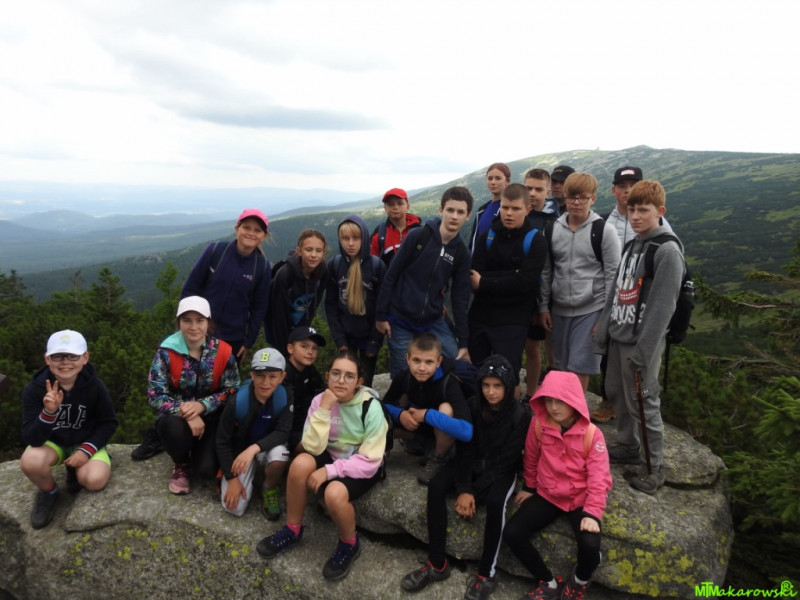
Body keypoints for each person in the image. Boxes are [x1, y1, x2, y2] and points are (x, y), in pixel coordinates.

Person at [132, 208, 271, 461]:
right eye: (246, 227)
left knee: (219, 389)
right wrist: (187, 326)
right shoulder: (216, 251)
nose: (251, 233)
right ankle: (162, 434)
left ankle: (210, 438)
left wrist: (249, 341)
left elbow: (259, 307)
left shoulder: (261, 266)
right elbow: (191, 288)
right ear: (236, 228)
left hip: (231, 339)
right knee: (180, 385)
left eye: (257, 230)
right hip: (198, 330)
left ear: (264, 235)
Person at [400, 355, 528, 600]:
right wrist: (464, 488)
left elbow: (505, 461)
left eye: (498, 386)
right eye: (486, 385)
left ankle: (487, 573)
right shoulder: (473, 405)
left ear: (508, 387)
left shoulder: (520, 416)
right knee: (436, 486)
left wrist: (472, 493)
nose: (491, 392)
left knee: (496, 502)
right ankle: (437, 564)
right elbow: (466, 448)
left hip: (502, 469)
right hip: (473, 460)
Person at [256, 351, 388, 581]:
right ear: (327, 376)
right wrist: (324, 409)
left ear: (359, 382)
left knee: (333, 494)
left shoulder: (371, 407)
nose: (341, 380)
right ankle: (292, 529)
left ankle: (349, 543)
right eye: (336, 373)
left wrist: (329, 471)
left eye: (349, 376)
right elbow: (312, 446)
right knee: (299, 464)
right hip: (330, 453)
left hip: (360, 463)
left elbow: (370, 461)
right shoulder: (320, 400)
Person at [594, 180, 685, 495]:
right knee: (618, 394)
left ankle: (654, 468)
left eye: (643, 210)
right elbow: (617, 292)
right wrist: (604, 331)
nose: (635, 216)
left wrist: (644, 352)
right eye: (631, 209)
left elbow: (662, 307)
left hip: (640, 344)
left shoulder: (667, 251)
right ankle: (628, 445)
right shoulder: (633, 245)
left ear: (660, 211)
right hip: (620, 336)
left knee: (643, 403)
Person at [503, 370, 612, 600]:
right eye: (549, 400)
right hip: (549, 495)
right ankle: (548, 582)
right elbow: (531, 457)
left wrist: (592, 513)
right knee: (512, 533)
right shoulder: (538, 424)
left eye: (560, 401)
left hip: (580, 499)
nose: (553, 407)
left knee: (591, 547)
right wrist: (530, 487)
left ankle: (579, 580)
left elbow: (599, 477)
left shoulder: (592, 434)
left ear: (574, 400)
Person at [20, 330, 118, 529]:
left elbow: (108, 423)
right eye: (58, 356)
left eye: (73, 356)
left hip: (85, 441)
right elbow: (32, 438)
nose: (65, 362)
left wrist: (86, 450)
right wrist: (49, 413)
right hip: (52, 443)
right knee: (31, 461)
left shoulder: (95, 386)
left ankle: (75, 469)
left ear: (85, 358)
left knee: (94, 480)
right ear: (47, 359)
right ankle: (49, 491)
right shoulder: (34, 390)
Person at [376, 186, 474, 378]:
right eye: (450, 210)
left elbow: (460, 298)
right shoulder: (418, 236)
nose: (454, 216)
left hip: (432, 320)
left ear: (468, 215)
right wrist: (380, 316)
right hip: (400, 319)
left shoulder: (461, 253)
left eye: (460, 212)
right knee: (402, 378)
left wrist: (463, 342)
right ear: (441, 210)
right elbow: (391, 275)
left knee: (458, 363)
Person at [146, 296, 240, 495]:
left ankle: (198, 453)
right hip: (178, 419)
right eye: (187, 320)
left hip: (212, 418)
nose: (193, 327)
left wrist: (203, 405)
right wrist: (187, 412)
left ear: (208, 323)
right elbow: (155, 395)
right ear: (179, 322)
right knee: (171, 428)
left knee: (205, 471)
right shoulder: (166, 352)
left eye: (200, 320)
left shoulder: (222, 352)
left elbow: (232, 388)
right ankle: (181, 464)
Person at [538, 173, 621, 391]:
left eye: (582, 197)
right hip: (559, 309)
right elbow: (546, 271)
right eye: (571, 197)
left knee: (580, 367)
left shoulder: (604, 231)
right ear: (564, 197)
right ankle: (562, 409)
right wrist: (543, 307)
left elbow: (613, 276)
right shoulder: (552, 229)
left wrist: (605, 317)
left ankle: (576, 410)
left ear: (593, 198)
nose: (576, 202)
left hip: (591, 309)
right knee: (559, 365)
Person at [469, 183, 546, 385]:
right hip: (481, 315)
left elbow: (525, 283)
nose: (509, 213)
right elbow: (473, 276)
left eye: (515, 208)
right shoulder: (487, 236)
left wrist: (485, 281)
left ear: (527, 209)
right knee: (475, 372)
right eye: (505, 207)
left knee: (508, 375)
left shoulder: (536, 240)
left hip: (514, 319)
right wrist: (512, 276)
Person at [382, 332, 473, 485]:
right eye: (416, 360)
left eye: (429, 362)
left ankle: (440, 455)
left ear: (439, 362)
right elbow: (383, 405)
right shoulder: (404, 377)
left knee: (446, 408)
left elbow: (466, 432)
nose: (422, 368)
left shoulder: (449, 383)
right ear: (407, 359)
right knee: (381, 417)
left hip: (446, 431)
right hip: (421, 427)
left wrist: (426, 415)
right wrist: (401, 414)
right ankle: (426, 445)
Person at [216, 347, 293, 520]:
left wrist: (254, 449)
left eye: (272, 376)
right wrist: (232, 477)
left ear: (282, 377)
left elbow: (283, 431)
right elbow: (222, 441)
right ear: (252, 375)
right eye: (260, 375)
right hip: (240, 450)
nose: (266, 382)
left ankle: (269, 487)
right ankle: (235, 477)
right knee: (234, 509)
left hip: (264, 447)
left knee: (281, 454)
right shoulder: (237, 402)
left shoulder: (284, 396)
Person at [326, 215, 387, 386]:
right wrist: (339, 339)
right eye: (345, 238)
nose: (350, 243)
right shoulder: (335, 265)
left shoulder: (376, 266)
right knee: (347, 383)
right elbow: (331, 305)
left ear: (364, 238)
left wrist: (375, 341)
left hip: (369, 337)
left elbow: (382, 307)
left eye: (356, 238)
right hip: (346, 339)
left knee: (364, 383)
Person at [266, 229, 329, 353]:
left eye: (318, 250)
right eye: (308, 250)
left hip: (300, 323)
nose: (314, 255)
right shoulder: (285, 275)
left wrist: (302, 333)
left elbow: (313, 307)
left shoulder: (323, 272)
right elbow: (278, 316)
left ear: (323, 252)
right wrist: (286, 348)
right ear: (299, 251)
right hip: (276, 326)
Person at [523, 169, 557, 395]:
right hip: (516, 292)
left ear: (548, 191)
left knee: (533, 345)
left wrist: (543, 302)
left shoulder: (553, 222)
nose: (533, 193)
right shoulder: (516, 214)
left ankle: (532, 393)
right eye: (528, 188)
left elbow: (552, 264)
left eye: (538, 189)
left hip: (540, 294)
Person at [283, 325, 326, 453]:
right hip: (285, 429)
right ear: (290, 348)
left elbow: (321, 391)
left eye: (314, 348)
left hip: (304, 425)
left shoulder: (310, 370)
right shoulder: (282, 373)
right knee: (314, 449)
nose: (310, 352)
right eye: (304, 346)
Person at [370, 187, 422, 267]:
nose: (395, 207)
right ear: (385, 208)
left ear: (407, 206)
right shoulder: (379, 234)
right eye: (390, 204)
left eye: (400, 203)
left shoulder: (420, 231)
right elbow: (372, 265)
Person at [469, 163, 511, 251]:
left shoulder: (510, 210)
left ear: (507, 181)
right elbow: (473, 241)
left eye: (498, 178)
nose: (493, 182)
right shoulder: (481, 210)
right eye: (490, 178)